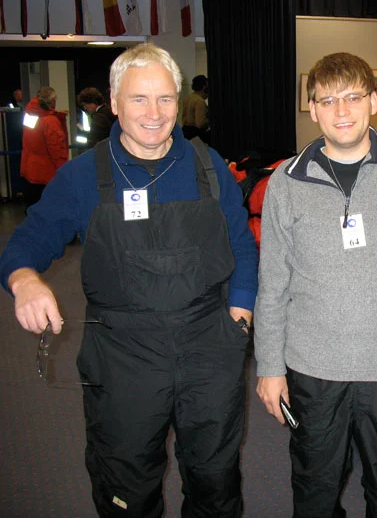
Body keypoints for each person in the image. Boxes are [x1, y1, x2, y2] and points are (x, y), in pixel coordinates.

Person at [0, 43, 257, 517]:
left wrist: (239, 315)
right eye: (139, 99)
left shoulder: (208, 167)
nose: (154, 114)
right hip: (122, 356)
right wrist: (25, 280)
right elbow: (27, 241)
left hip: (208, 348)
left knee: (215, 479)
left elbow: (241, 243)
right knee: (126, 483)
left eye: (165, 99)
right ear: (115, 103)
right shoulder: (83, 176)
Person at [254, 52, 377, 517]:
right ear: (312, 109)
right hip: (313, 370)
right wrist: (269, 366)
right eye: (328, 101)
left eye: (352, 97)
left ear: (373, 102)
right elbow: (273, 283)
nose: (341, 111)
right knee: (314, 494)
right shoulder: (286, 181)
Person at [20, 86, 69, 211]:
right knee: (51, 210)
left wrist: (56, 114)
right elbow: (57, 150)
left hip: (29, 169)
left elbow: (36, 135)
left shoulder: (30, 115)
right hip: (46, 173)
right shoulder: (51, 121)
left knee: (33, 210)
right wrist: (64, 171)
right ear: (52, 101)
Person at [181, 74, 210, 145]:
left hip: (185, 132)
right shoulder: (199, 101)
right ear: (204, 87)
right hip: (195, 135)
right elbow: (199, 124)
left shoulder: (188, 97)